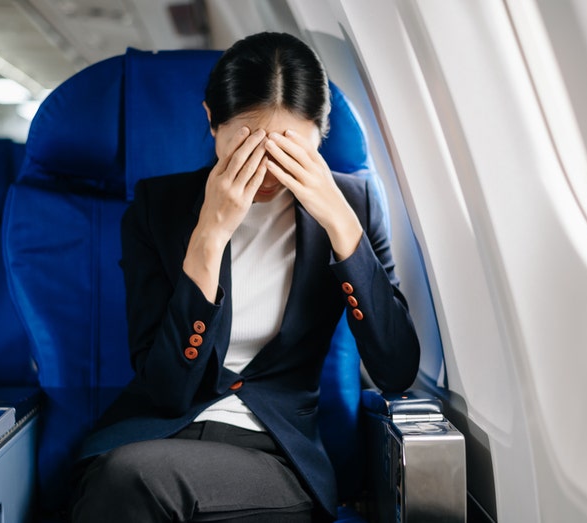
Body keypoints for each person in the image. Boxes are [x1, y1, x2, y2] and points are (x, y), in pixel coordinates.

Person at [71, 31, 420, 523]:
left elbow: (396, 370)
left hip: (275, 453)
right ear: (212, 122)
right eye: (248, 148)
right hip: (156, 434)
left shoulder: (355, 206)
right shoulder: (158, 208)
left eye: (288, 151)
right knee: (124, 477)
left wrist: (342, 227)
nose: (268, 170)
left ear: (321, 134)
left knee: (132, 482)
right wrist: (209, 236)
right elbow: (166, 388)